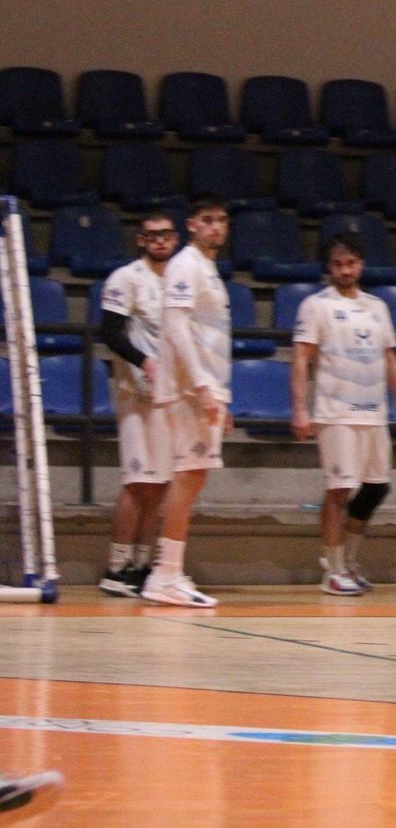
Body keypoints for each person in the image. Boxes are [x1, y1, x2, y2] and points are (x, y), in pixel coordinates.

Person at [291, 234, 396, 595]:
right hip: (336, 413)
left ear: (361, 264)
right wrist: (300, 408)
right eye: (337, 264)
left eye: (350, 263)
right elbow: (301, 358)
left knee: (376, 488)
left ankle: (349, 561)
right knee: (339, 490)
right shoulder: (315, 306)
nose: (345, 270)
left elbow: (390, 359)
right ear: (329, 267)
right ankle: (331, 569)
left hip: (374, 414)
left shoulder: (377, 307)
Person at [142, 196, 232, 607]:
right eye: (208, 220)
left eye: (222, 221)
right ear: (192, 225)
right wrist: (200, 385)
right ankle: (164, 575)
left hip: (204, 386)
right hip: (187, 388)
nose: (216, 227)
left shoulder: (208, 270)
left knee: (192, 476)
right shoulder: (186, 264)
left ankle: (169, 571)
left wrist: (219, 393)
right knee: (188, 475)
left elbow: (206, 336)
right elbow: (176, 327)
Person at [96, 212, 180, 598]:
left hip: (170, 396)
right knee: (137, 484)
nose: (160, 241)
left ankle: (145, 563)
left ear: (174, 238)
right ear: (141, 241)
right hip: (136, 395)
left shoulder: (181, 281)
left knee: (161, 485)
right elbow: (110, 332)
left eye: (165, 235)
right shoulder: (126, 278)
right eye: (152, 236)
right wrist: (144, 362)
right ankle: (117, 566)